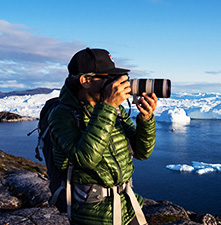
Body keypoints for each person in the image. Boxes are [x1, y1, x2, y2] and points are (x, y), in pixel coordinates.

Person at [48, 48, 157, 225]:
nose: (117, 83)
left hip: (128, 206)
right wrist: (107, 107)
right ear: (85, 80)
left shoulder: (117, 110)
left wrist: (145, 120)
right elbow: (86, 158)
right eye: (110, 78)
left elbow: (142, 153)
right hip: (91, 215)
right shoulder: (62, 115)